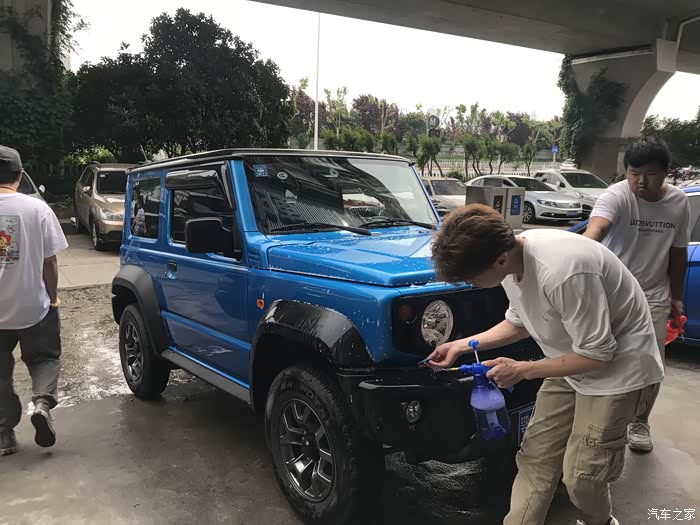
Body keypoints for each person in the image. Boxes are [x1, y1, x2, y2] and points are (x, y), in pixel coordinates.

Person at [426, 204, 663, 525]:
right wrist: (460, 346)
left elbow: (598, 355)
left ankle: (600, 522)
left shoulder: (564, 271)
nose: (471, 283)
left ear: (499, 260)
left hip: (617, 370)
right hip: (570, 359)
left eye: (471, 277)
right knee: (535, 457)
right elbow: (519, 322)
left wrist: (523, 369)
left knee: (583, 476)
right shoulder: (509, 262)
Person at [584, 138, 690, 452]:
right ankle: (597, 418)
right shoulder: (616, 195)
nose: (641, 181)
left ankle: (640, 421)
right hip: (611, 292)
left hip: (654, 294)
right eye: (634, 173)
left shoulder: (679, 202)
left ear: (667, 172)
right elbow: (597, 228)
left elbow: (678, 252)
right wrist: (583, 247)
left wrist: (676, 297)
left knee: (650, 362)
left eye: (651, 174)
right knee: (600, 354)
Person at [0, 146, 68, 456]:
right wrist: (52, 298)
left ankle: (4, 434)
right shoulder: (37, 209)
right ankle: (41, 404)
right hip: (33, 306)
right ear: (19, 175)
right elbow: (49, 262)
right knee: (44, 358)